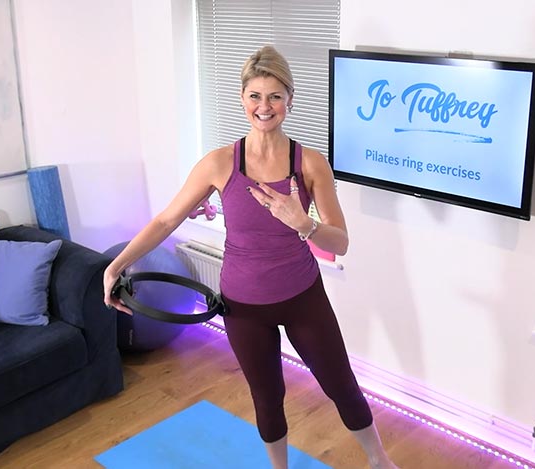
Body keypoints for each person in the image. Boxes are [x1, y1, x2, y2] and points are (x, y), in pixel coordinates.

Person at [103, 45, 399, 469]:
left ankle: (379, 461)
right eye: (256, 96)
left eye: (276, 96)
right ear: (243, 99)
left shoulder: (310, 164)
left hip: (302, 297)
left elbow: (341, 243)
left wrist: (304, 224)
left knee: (340, 385)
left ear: (290, 100)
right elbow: (167, 220)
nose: (265, 106)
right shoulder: (219, 163)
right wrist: (116, 266)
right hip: (243, 306)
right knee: (267, 397)